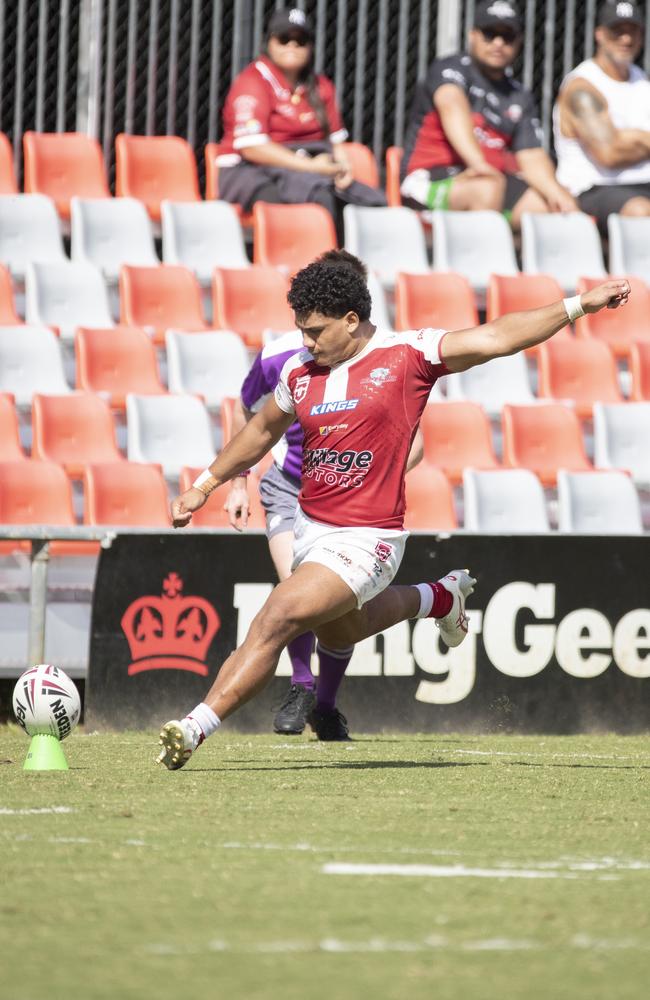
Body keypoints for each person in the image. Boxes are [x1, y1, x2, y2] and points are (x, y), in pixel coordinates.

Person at [156, 251, 629, 770]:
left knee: (279, 614)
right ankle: (437, 598)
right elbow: (262, 430)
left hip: (368, 538)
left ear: (352, 321)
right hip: (311, 529)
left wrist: (579, 304)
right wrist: (206, 483)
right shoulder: (300, 371)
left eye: (315, 331)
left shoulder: (409, 354)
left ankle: (194, 726)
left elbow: (497, 337)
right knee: (342, 631)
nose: (307, 341)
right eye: (301, 330)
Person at [224, 256, 424, 740]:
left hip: (348, 498)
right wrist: (235, 481)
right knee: (296, 587)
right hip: (289, 488)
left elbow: (413, 441)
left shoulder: (383, 355)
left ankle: (326, 706)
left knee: (332, 608)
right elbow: (250, 415)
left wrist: (379, 470)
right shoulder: (281, 356)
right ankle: (301, 683)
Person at [400, 0, 577, 228]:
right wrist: (479, 164)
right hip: (430, 179)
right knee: (487, 188)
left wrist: (558, 195)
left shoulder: (518, 94)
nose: (498, 43)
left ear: (519, 41)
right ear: (472, 35)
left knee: (551, 210)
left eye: (507, 37)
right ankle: (478, 263)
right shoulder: (450, 68)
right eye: (489, 33)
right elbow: (451, 106)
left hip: (492, 181)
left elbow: (531, 155)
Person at [216, 7, 386, 238]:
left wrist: (342, 167)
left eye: (301, 40)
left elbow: (336, 141)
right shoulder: (253, 81)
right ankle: (319, 271)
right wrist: (312, 167)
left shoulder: (320, 85)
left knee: (369, 203)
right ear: (269, 42)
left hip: (306, 168)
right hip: (249, 172)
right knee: (317, 197)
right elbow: (253, 148)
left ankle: (352, 269)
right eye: (284, 39)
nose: (292, 47)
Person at [553, 0, 650, 236]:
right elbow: (610, 154)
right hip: (593, 189)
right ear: (599, 34)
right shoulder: (582, 87)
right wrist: (628, 139)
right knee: (641, 212)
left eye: (632, 31)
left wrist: (631, 138)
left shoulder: (641, 80)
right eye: (617, 31)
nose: (626, 40)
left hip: (643, 184)